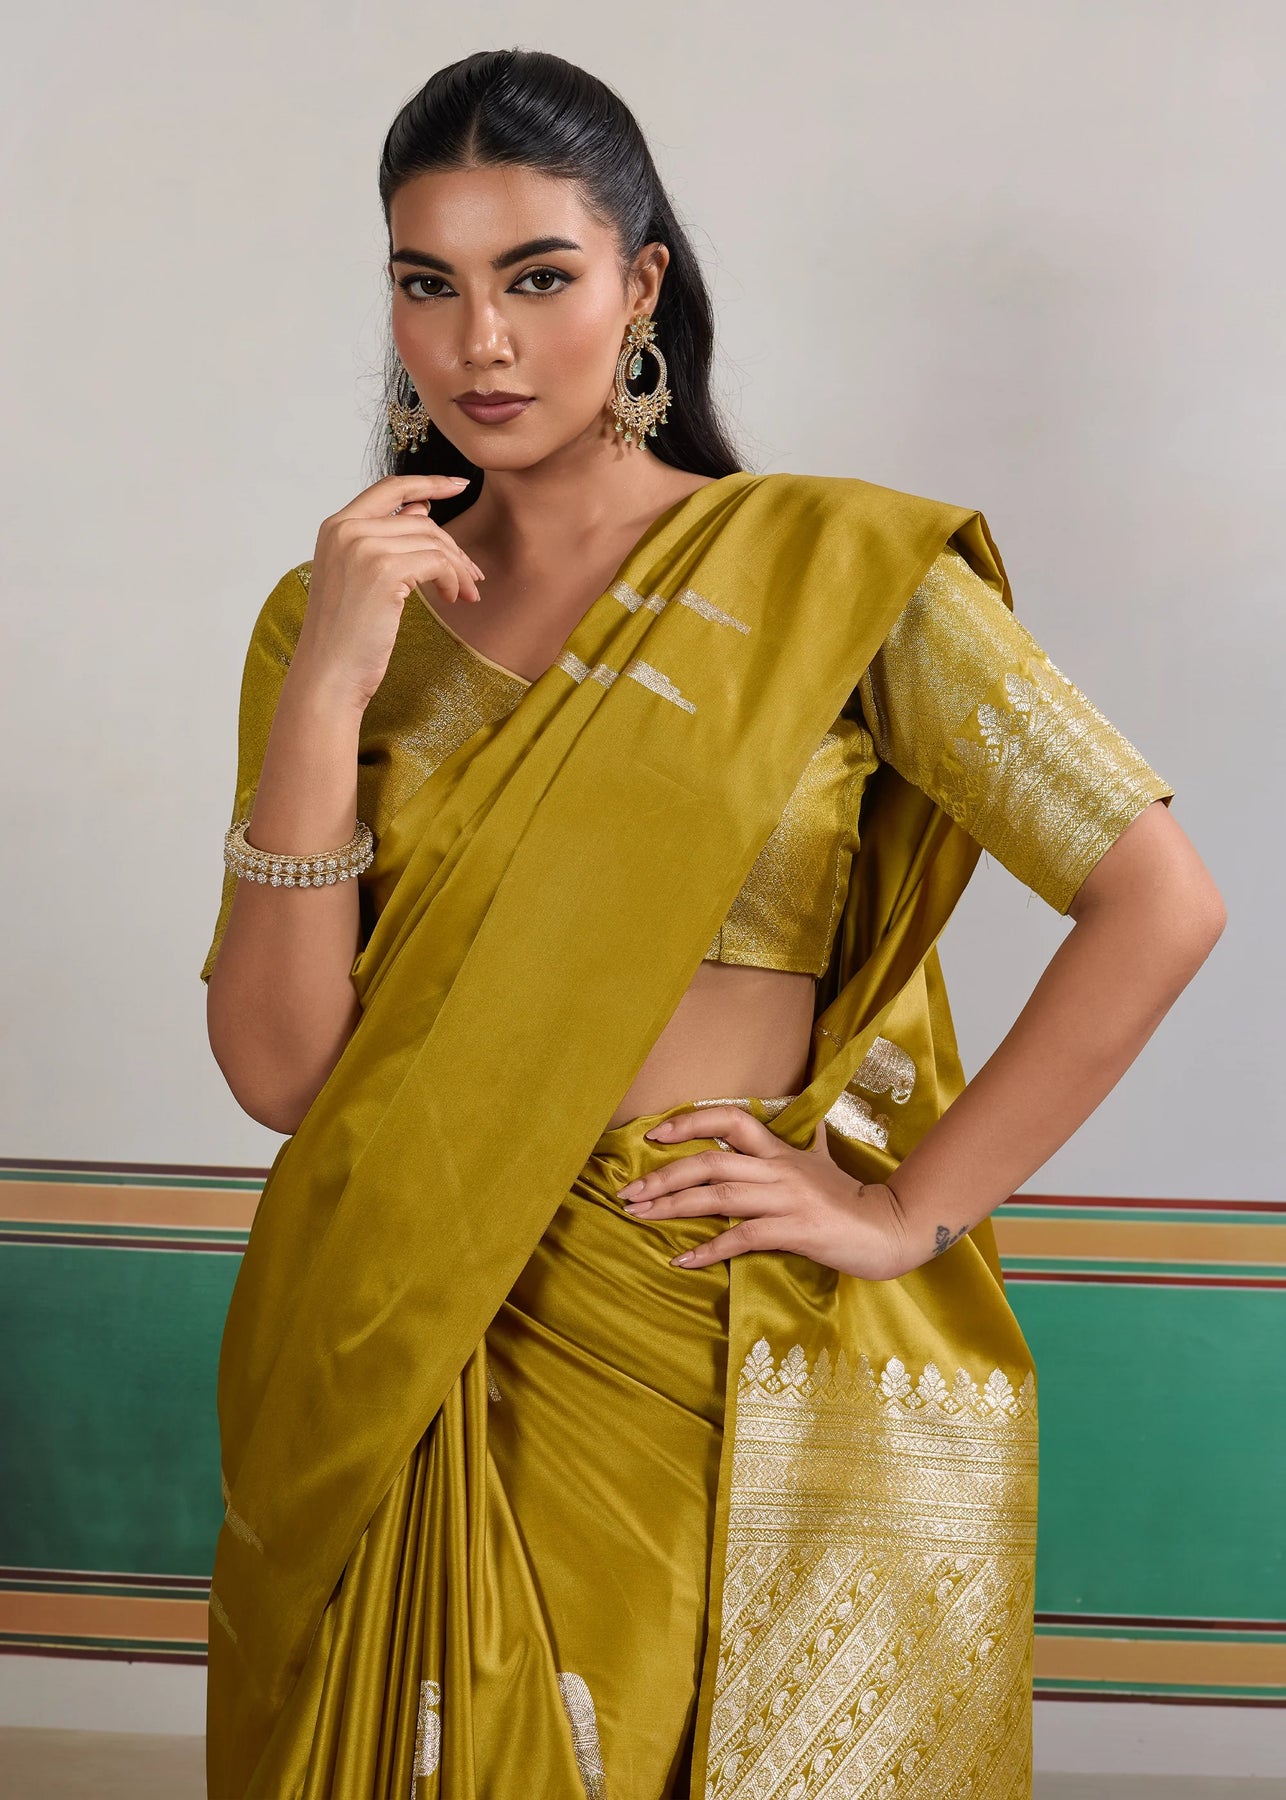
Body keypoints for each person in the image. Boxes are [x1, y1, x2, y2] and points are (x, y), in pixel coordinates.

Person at [198, 47, 1225, 1800]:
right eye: (427, 285)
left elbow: (1158, 900)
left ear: (641, 285)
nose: (479, 343)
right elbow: (286, 1076)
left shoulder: (827, 576)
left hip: (690, 1311)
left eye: (537, 278)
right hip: (395, 1324)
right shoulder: (334, 614)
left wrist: (901, 1208)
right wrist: (325, 692)